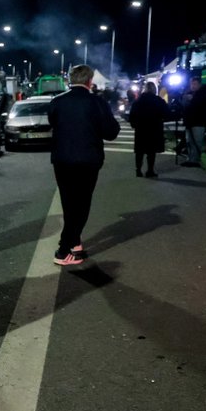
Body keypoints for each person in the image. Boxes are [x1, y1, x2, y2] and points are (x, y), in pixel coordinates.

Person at [48, 64, 121, 266]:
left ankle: (75, 244)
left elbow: (53, 123)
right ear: (90, 81)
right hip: (88, 159)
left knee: (68, 202)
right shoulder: (97, 102)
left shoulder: (57, 102)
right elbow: (111, 132)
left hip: (62, 159)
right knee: (81, 204)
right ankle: (64, 249)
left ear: (70, 80)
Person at [128, 81, 170, 178]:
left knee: (139, 151)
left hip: (141, 129)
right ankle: (150, 170)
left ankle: (138, 170)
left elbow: (132, 115)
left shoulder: (138, 101)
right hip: (154, 129)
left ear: (145, 89)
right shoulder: (159, 101)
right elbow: (166, 113)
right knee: (151, 152)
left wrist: (134, 125)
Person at [181, 75, 206, 167]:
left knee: (197, 141)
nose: (193, 86)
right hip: (190, 122)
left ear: (199, 84)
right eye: (192, 84)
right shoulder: (190, 94)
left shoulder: (204, 95)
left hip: (199, 122)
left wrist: (192, 100)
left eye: (195, 84)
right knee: (189, 141)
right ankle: (190, 159)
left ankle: (195, 160)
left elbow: (201, 106)